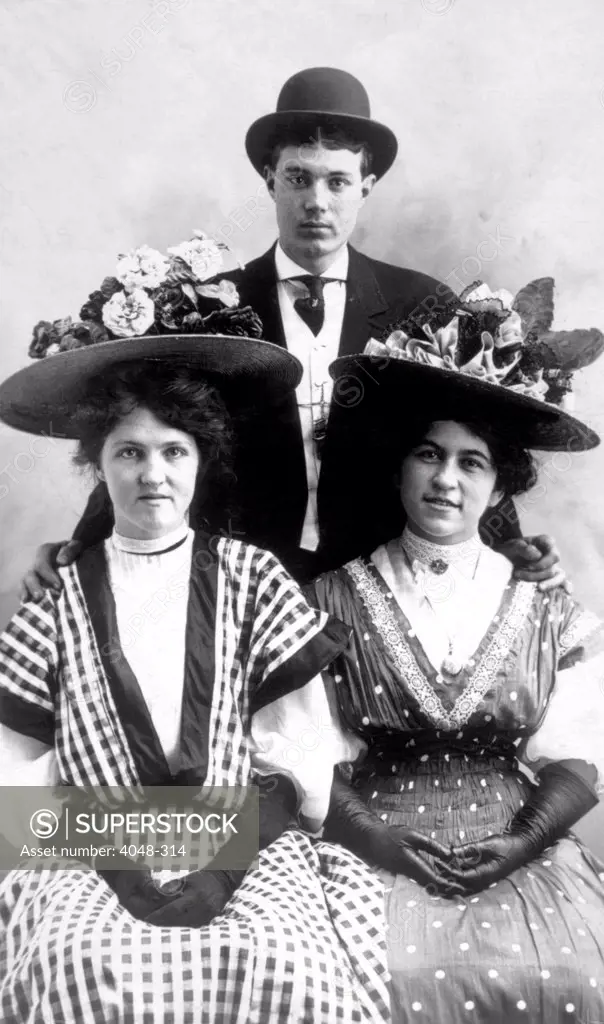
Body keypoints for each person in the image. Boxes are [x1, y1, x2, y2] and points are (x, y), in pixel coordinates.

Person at [0, 324, 454, 1023]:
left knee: (287, 966)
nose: (153, 474)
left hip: (240, 842)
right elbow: (18, 791)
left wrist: (221, 872)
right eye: (129, 452)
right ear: (96, 465)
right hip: (91, 852)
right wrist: (122, 868)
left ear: (201, 462)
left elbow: (298, 756)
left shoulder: (252, 578)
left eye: (173, 451)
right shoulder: (56, 598)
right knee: (81, 967)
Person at [20, 67, 562, 590]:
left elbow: (470, 433)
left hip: (382, 577)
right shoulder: (210, 311)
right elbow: (144, 426)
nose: (316, 202)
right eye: (298, 178)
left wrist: (502, 542)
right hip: (231, 578)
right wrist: (83, 545)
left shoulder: (418, 303)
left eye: (338, 181)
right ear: (270, 181)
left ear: (365, 187)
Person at [302, 312, 604, 1023]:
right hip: (363, 847)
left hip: (519, 845)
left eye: (472, 463)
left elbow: (581, 755)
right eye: (427, 455)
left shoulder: (546, 610)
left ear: (499, 489)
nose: (446, 479)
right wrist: (381, 843)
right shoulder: (328, 600)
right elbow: (299, 755)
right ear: (399, 466)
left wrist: (523, 841)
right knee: (351, 983)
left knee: (576, 975)